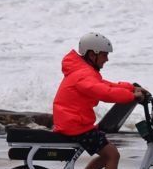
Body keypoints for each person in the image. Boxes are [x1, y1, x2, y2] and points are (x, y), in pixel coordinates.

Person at [52, 32, 147, 169]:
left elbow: (106, 85)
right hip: (76, 127)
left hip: (73, 124)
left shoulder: (83, 72)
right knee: (112, 154)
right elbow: (105, 93)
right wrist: (132, 96)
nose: (107, 59)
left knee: (107, 155)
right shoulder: (83, 75)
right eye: (104, 55)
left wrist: (132, 88)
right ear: (92, 55)